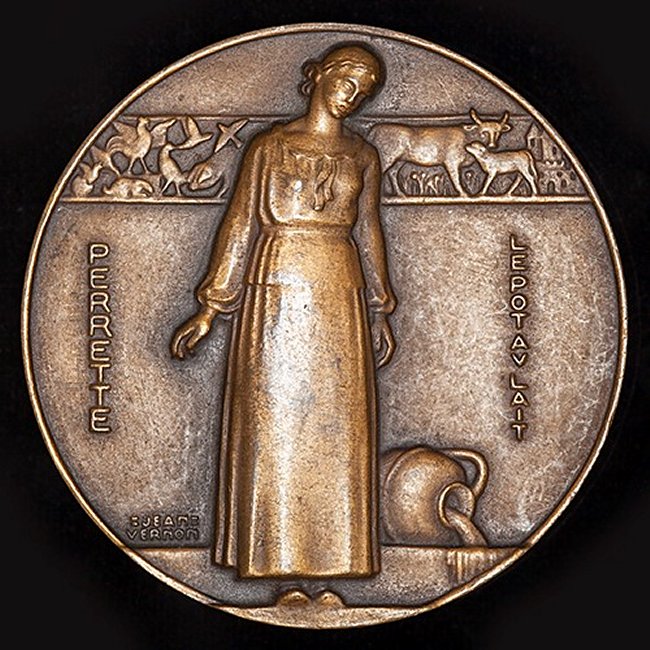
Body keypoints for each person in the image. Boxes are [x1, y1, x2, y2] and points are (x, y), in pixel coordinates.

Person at [171, 44, 396, 579]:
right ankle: (272, 561)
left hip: (339, 287)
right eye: (348, 79)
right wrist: (210, 308)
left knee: (337, 426)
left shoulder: (363, 155)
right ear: (319, 76)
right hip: (274, 282)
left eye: (365, 89)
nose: (353, 94)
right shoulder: (268, 147)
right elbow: (241, 223)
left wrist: (380, 307)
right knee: (273, 418)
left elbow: (369, 230)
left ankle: (336, 565)